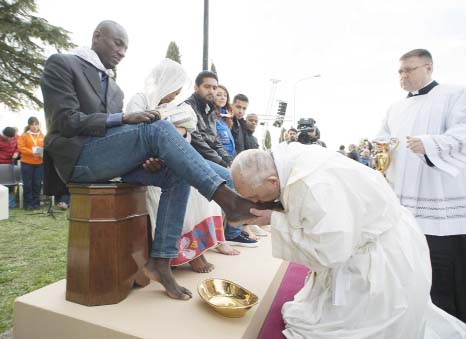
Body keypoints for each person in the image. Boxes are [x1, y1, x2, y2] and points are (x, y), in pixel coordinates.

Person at [40, 20, 271, 300]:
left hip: (108, 159)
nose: (123, 51)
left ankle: (161, 261)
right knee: (159, 127)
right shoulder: (62, 64)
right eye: (118, 43)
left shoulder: (114, 88)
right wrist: (124, 118)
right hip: (79, 159)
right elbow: (65, 122)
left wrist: (147, 155)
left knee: (175, 171)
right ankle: (230, 198)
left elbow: (119, 139)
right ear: (97, 36)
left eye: (126, 46)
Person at [231, 143, 466, 338]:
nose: (256, 202)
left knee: (344, 329)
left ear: (273, 181)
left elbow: (329, 252)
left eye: (254, 196)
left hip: (380, 254)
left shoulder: (311, 185)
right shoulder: (290, 159)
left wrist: (275, 220)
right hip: (375, 233)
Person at [376, 48, 466, 321]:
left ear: (428, 68)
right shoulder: (395, 107)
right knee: (411, 266)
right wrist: (380, 150)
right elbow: (383, 138)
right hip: (405, 200)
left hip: (440, 202)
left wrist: (430, 144)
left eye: (409, 70)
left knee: (445, 271)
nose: (403, 76)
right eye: (400, 71)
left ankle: (453, 323)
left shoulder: (455, 94)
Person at [126, 59, 238, 270]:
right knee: (185, 185)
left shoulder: (175, 107)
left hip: (169, 160)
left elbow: (184, 135)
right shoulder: (139, 101)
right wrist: (169, 136)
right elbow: (136, 134)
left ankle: (197, 250)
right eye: (172, 90)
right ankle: (184, 253)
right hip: (145, 164)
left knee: (201, 189)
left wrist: (177, 133)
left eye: (177, 91)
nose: (174, 95)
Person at [185, 71, 233, 168]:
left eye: (214, 88)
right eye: (207, 87)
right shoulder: (187, 107)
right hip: (194, 160)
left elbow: (216, 141)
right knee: (230, 179)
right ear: (196, 87)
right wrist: (221, 163)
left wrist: (228, 160)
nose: (211, 91)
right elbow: (197, 142)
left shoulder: (210, 110)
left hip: (209, 159)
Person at [17, 117, 44, 210]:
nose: (35, 126)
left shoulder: (42, 136)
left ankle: (36, 202)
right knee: (28, 184)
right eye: (32, 124)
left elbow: (46, 147)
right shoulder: (24, 136)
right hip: (27, 163)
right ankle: (28, 203)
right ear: (29, 125)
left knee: (37, 183)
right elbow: (21, 148)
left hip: (39, 163)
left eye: (36, 124)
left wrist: (43, 153)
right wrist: (32, 152)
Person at [214, 84, 236, 158]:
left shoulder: (225, 117)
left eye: (225, 95)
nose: (223, 98)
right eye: (219, 95)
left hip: (230, 158)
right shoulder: (210, 116)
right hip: (219, 159)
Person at [0, 127, 20, 208]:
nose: (10, 139)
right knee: (2, 185)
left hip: (12, 163)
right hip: (1, 164)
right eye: (8, 138)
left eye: (12, 138)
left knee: (11, 184)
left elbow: (19, 145)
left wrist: (17, 152)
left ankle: (11, 204)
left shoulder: (16, 137)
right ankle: (3, 203)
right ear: (5, 135)